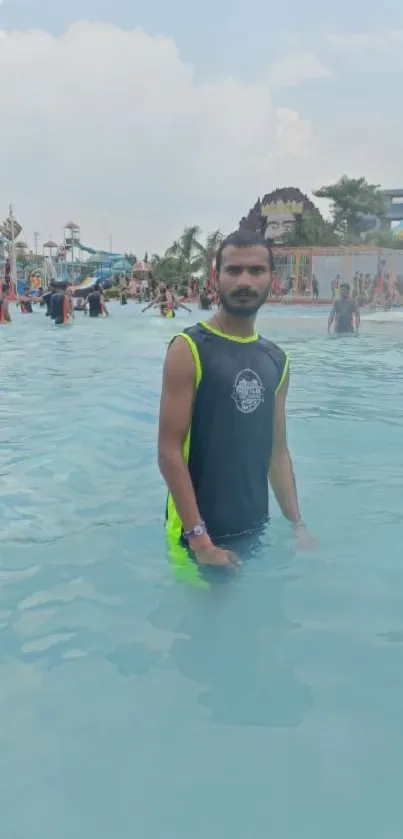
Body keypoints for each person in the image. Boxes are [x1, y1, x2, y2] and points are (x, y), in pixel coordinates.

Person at [158, 229, 314, 570]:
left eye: (256, 271)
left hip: (254, 528)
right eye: (234, 270)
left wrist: (297, 525)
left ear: (272, 279)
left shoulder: (276, 360)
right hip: (194, 538)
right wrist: (201, 542)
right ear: (217, 278)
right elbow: (169, 451)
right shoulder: (190, 349)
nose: (245, 280)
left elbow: (277, 452)